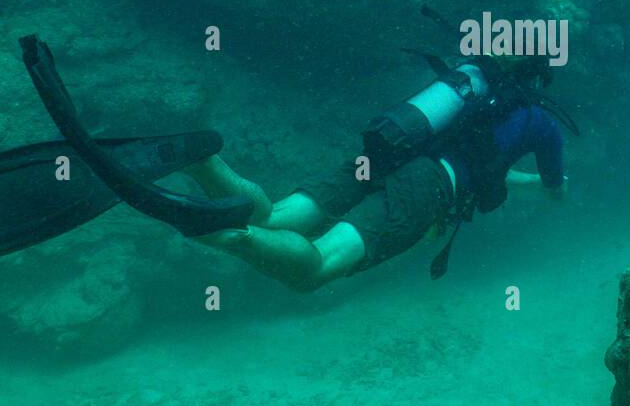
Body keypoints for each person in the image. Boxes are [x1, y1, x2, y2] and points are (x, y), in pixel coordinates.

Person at [182, 53, 568, 290]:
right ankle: (236, 238)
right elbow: (551, 189)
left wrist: (511, 180)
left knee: (274, 216)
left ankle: (203, 162)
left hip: (386, 155)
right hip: (428, 185)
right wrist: (550, 186)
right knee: (315, 267)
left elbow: (482, 165)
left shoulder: (471, 84)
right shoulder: (540, 122)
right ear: (539, 78)